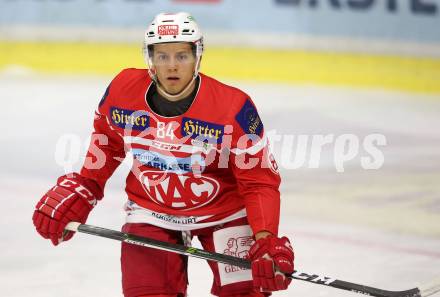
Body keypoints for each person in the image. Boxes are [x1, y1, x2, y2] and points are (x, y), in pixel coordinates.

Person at [32, 12, 294, 297]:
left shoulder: (233, 107)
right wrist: (88, 184)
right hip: (151, 212)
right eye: (162, 56)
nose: (172, 66)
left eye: (181, 56)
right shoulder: (122, 91)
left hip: (224, 213)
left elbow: (258, 181)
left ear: (197, 57)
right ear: (150, 58)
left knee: (246, 293)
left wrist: (265, 238)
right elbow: (108, 141)